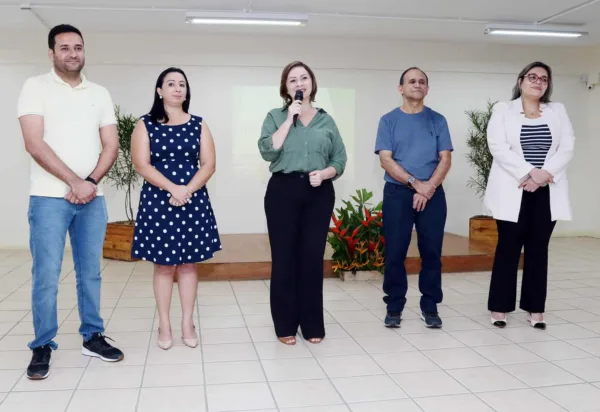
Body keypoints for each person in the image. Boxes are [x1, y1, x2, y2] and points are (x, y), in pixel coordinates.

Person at [17, 24, 124, 380]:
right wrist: (74, 181)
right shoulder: (35, 87)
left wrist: (90, 183)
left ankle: (92, 336)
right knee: (46, 276)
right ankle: (42, 344)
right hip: (49, 198)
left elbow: (111, 145)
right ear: (51, 53)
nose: (72, 53)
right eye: (64, 48)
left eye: (78, 47)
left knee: (90, 272)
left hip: (92, 198)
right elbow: (34, 143)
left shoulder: (100, 92)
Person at [131, 67, 221, 350]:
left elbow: (208, 164)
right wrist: (173, 188)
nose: (177, 88)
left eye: (182, 84)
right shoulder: (145, 125)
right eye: (171, 84)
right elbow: (142, 164)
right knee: (164, 265)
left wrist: (187, 190)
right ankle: (165, 323)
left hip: (192, 201)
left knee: (188, 264)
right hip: (159, 202)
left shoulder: (199, 124)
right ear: (159, 90)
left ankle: (187, 322)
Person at [258, 61, 347, 345]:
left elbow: (339, 160)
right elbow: (267, 151)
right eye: (293, 79)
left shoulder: (326, 120)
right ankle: (284, 324)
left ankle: (312, 325)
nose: (299, 83)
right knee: (284, 259)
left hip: (318, 193)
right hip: (283, 191)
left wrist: (325, 173)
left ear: (312, 83)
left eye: (304, 78)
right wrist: (289, 120)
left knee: (311, 258)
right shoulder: (275, 116)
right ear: (286, 88)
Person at [485, 62, 574, 330]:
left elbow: (567, 147)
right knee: (508, 250)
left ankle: (536, 309)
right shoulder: (503, 109)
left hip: (546, 191)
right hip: (514, 188)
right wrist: (528, 174)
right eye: (532, 77)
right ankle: (499, 307)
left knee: (538, 251)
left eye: (544, 79)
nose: (538, 82)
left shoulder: (557, 110)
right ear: (521, 80)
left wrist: (544, 174)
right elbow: (498, 147)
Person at [375, 67, 453, 329]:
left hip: (433, 194)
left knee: (432, 253)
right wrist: (415, 184)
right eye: (412, 81)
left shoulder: (438, 120)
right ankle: (394, 307)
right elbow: (386, 160)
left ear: (427, 89)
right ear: (401, 88)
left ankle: (430, 307)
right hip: (397, 193)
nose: (417, 85)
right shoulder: (388, 120)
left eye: (422, 82)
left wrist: (428, 187)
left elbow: (446, 158)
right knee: (395, 253)